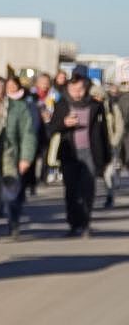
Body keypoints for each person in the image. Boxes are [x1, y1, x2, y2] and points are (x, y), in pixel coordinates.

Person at [43, 71, 111, 236]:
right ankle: (74, 224)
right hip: (69, 153)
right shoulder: (62, 105)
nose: (77, 93)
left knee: (88, 190)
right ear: (67, 89)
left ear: (85, 88)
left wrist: (106, 156)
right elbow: (51, 128)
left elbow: (103, 132)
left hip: (90, 152)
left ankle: (86, 223)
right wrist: (64, 123)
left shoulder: (95, 105)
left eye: (80, 89)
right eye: (73, 90)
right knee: (71, 191)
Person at [0, 74, 35, 240]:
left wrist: (26, 157)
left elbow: (27, 133)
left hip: (9, 154)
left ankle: (14, 221)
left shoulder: (18, 108)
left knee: (10, 193)